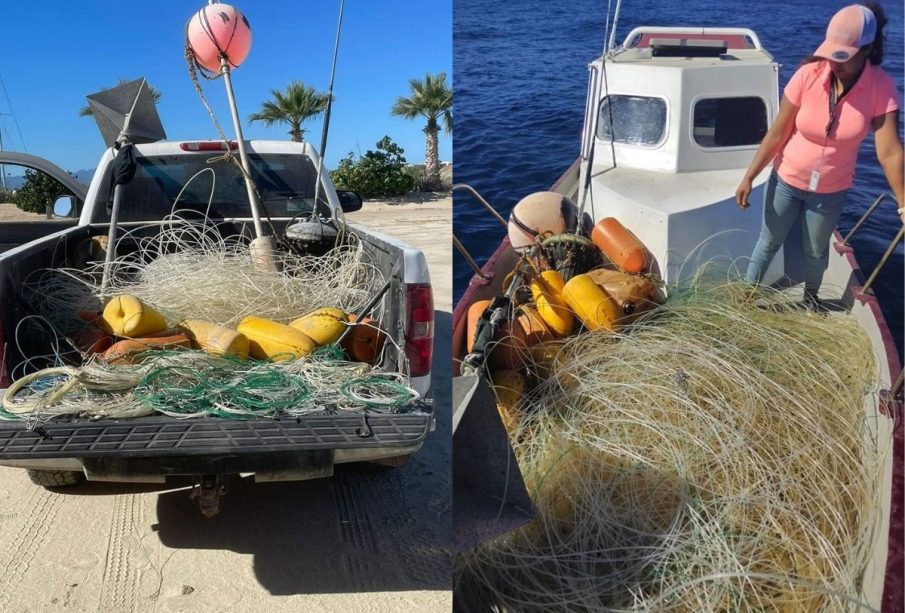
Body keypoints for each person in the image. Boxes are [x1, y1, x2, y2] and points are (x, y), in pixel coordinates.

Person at [735, 3, 903, 306]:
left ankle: (810, 301)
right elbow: (777, 132)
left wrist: (904, 204)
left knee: (816, 250)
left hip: (830, 190)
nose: (833, 63)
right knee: (769, 241)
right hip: (786, 178)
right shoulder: (807, 75)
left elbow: (889, 152)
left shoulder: (883, 88)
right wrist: (749, 176)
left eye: (842, 56)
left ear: (866, 50)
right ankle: (745, 301)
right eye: (830, 53)